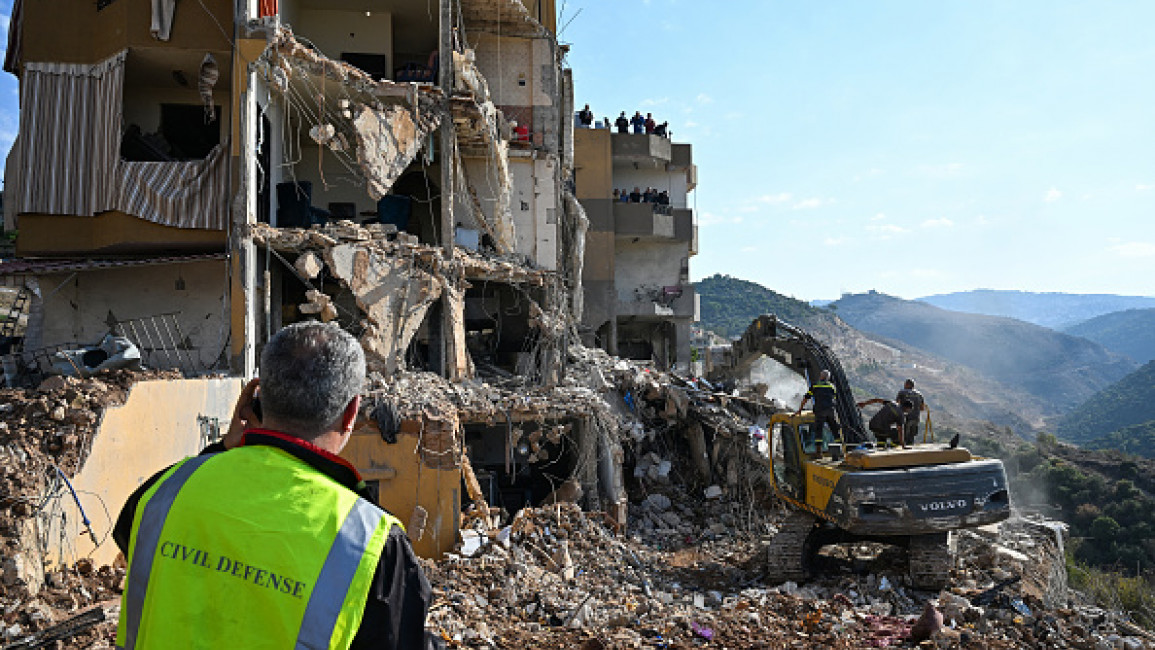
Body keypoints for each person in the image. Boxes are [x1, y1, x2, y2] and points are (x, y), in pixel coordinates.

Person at [113, 322, 435, 649]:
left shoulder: (167, 490)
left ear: (258, 397)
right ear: (350, 412)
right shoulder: (370, 541)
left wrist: (225, 449)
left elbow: (135, 540)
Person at [796, 369, 841, 443]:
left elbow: (806, 398)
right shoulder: (832, 386)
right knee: (834, 429)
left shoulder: (815, 385)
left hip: (820, 410)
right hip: (830, 410)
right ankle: (840, 447)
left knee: (818, 430)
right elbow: (834, 399)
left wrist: (800, 409)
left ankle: (818, 451)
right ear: (828, 378)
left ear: (821, 376)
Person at [896, 378, 927, 443]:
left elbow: (897, 404)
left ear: (907, 384)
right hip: (916, 417)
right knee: (912, 436)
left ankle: (903, 449)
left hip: (905, 417)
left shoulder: (902, 392)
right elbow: (922, 408)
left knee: (904, 435)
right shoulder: (919, 394)